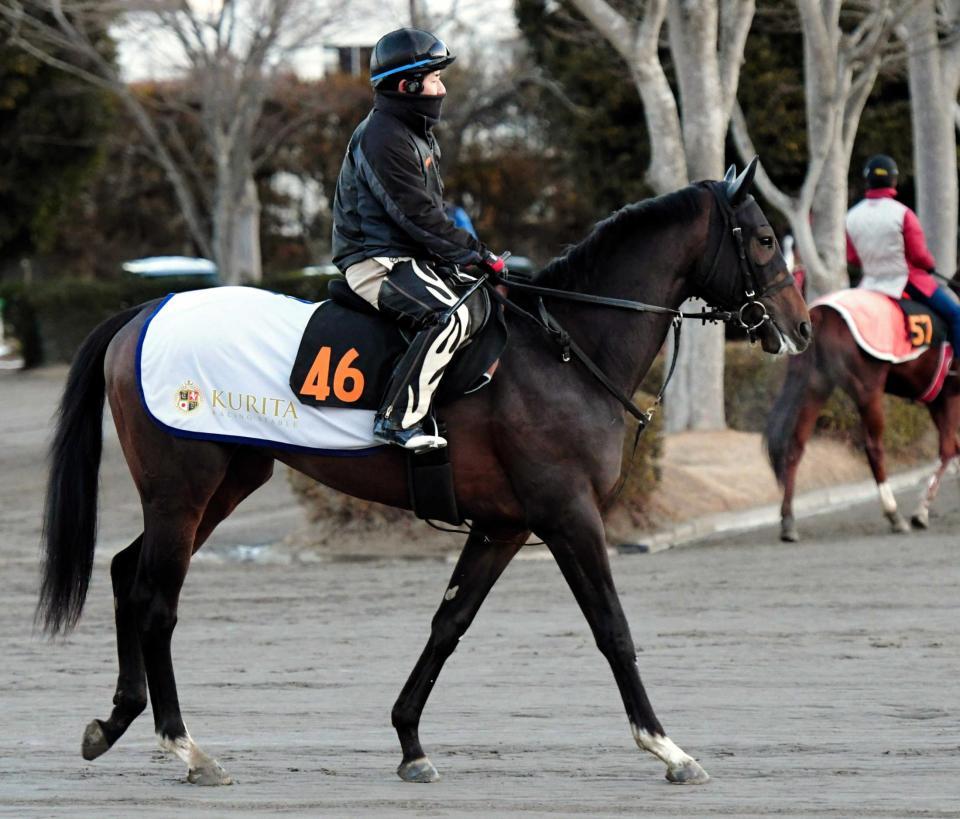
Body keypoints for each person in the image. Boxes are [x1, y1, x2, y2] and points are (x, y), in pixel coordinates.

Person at [331, 27, 507, 452]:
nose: (442, 88)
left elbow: (427, 219)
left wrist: (474, 260)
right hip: (374, 260)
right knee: (449, 315)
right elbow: (418, 217)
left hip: (406, 256)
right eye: (435, 79)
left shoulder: (413, 133)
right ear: (408, 86)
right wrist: (477, 253)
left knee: (485, 299)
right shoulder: (383, 136)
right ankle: (398, 420)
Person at [846, 154, 960, 347]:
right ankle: (957, 368)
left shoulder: (850, 216)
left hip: (869, 283)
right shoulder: (903, 213)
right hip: (907, 282)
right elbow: (919, 256)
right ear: (894, 180)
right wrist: (929, 266)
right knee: (956, 315)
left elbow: (853, 258)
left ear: (867, 181)